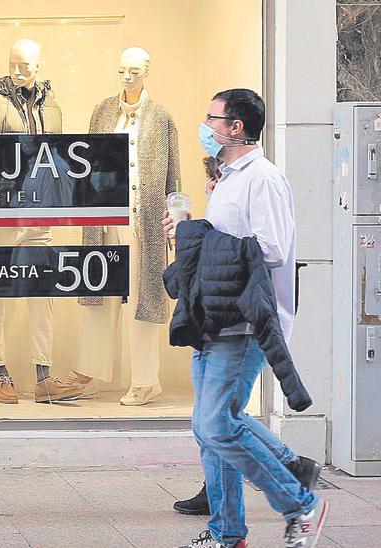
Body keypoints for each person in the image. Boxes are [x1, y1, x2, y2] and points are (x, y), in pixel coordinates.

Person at [165, 90, 327, 548]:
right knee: (209, 428)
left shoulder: (264, 180)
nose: (206, 125)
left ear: (235, 127)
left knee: (217, 425)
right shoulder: (229, 177)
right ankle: (228, 531)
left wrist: (197, 235)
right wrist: (191, 229)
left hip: (246, 322)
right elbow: (227, 240)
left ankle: (301, 504)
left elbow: (271, 249)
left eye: (211, 118)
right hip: (214, 315)